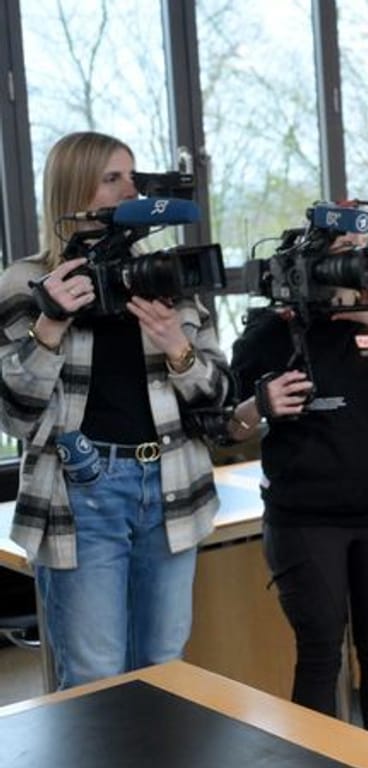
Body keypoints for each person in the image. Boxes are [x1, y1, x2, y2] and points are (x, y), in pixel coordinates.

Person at [0, 131, 231, 688]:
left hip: (172, 484)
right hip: (81, 495)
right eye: (113, 179)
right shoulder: (25, 281)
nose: (131, 192)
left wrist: (179, 349)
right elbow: (16, 416)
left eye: (133, 177)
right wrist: (50, 324)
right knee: (94, 678)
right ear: (74, 187)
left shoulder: (164, 277)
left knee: (165, 666)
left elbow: (219, 394)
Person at [228, 252, 368, 740]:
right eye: (341, 258)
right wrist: (259, 404)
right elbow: (228, 425)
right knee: (321, 651)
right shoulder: (268, 335)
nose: (354, 270)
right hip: (305, 519)